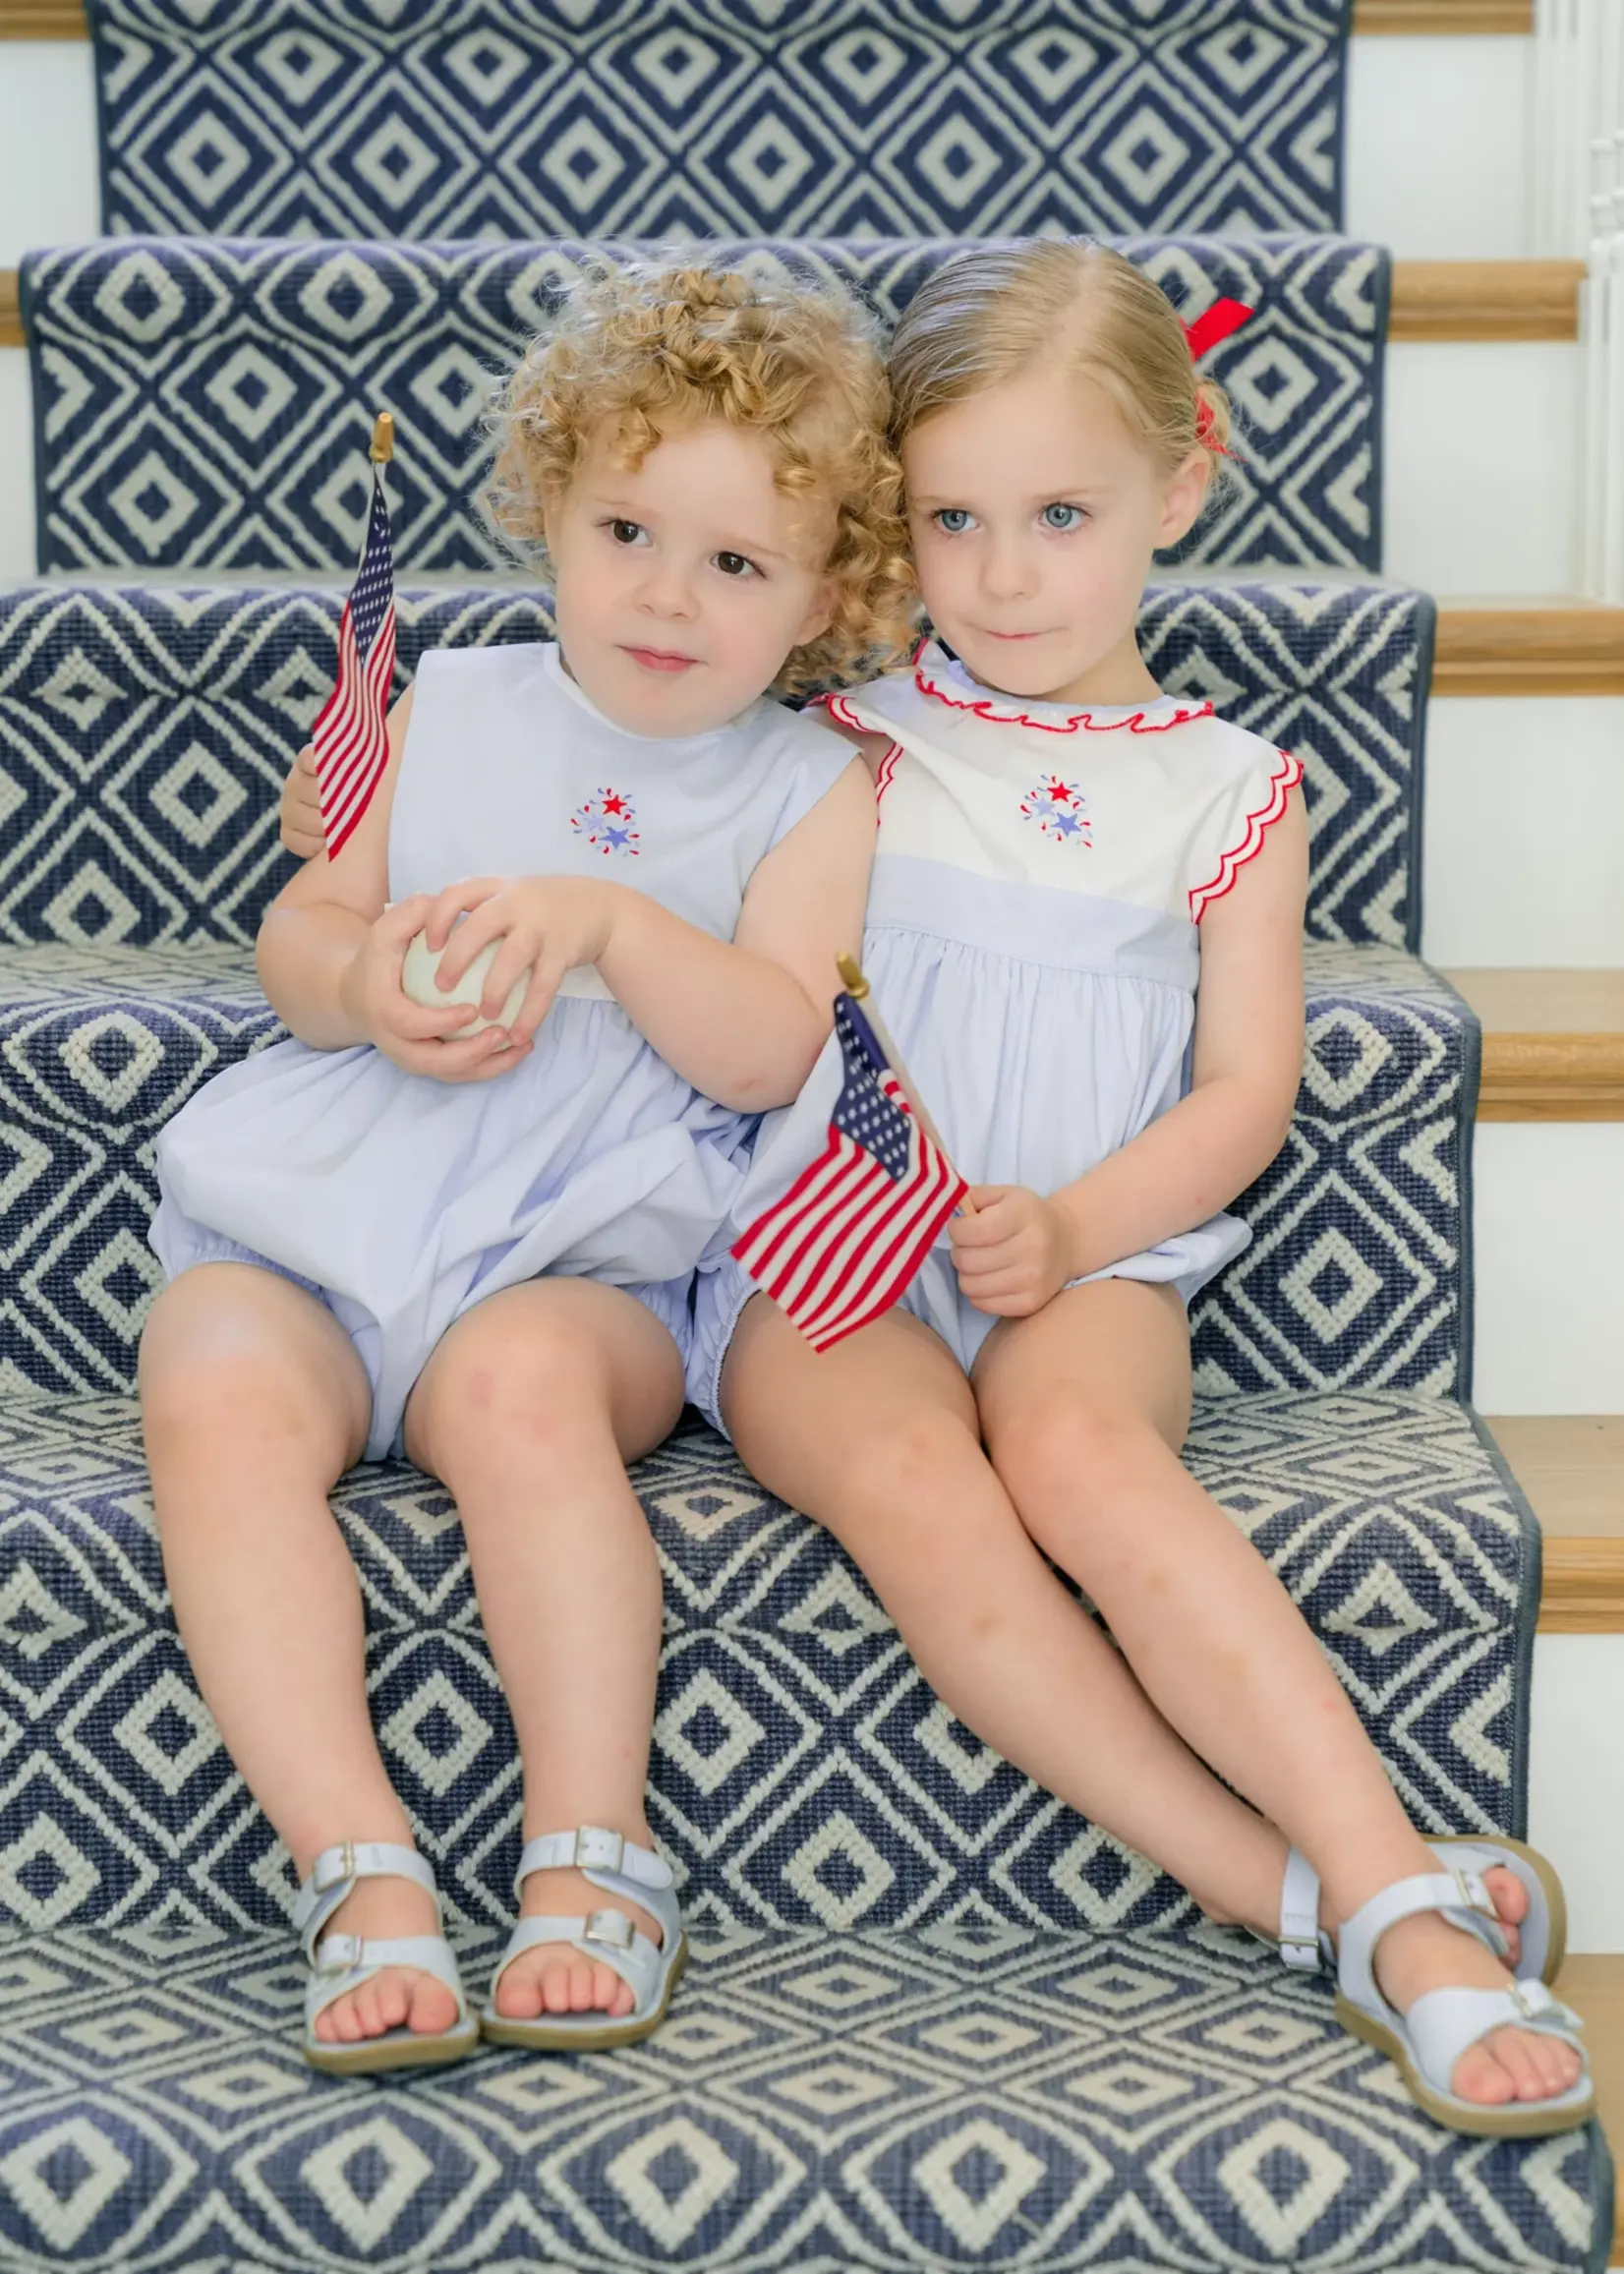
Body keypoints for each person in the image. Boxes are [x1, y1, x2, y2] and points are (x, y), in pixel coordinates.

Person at [684, 240, 1592, 2138]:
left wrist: (1082, 1229)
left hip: (1093, 1245)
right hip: (833, 1260)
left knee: (1083, 1457)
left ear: (1184, 481)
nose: (1006, 575)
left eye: (1064, 513)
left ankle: (1392, 1887)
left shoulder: (1232, 787)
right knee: (921, 1478)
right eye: (953, 520)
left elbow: (1248, 1092)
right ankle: (1272, 1881)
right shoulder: (839, 743)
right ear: (895, 523)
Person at [142, 261, 910, 2073]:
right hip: (340, 1204)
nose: (666, 592)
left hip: (592, 1257)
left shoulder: (806, 786)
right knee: (212, 1384)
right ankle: (360, 1865)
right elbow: (306, 923)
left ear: (825, 594)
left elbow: (777, 1045)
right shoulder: (457, 701)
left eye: (738, 563)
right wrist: (363, 985)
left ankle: (589, 1844)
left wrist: (614, 926)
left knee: (520, 1397)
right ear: (549, 511)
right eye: (627, 527)